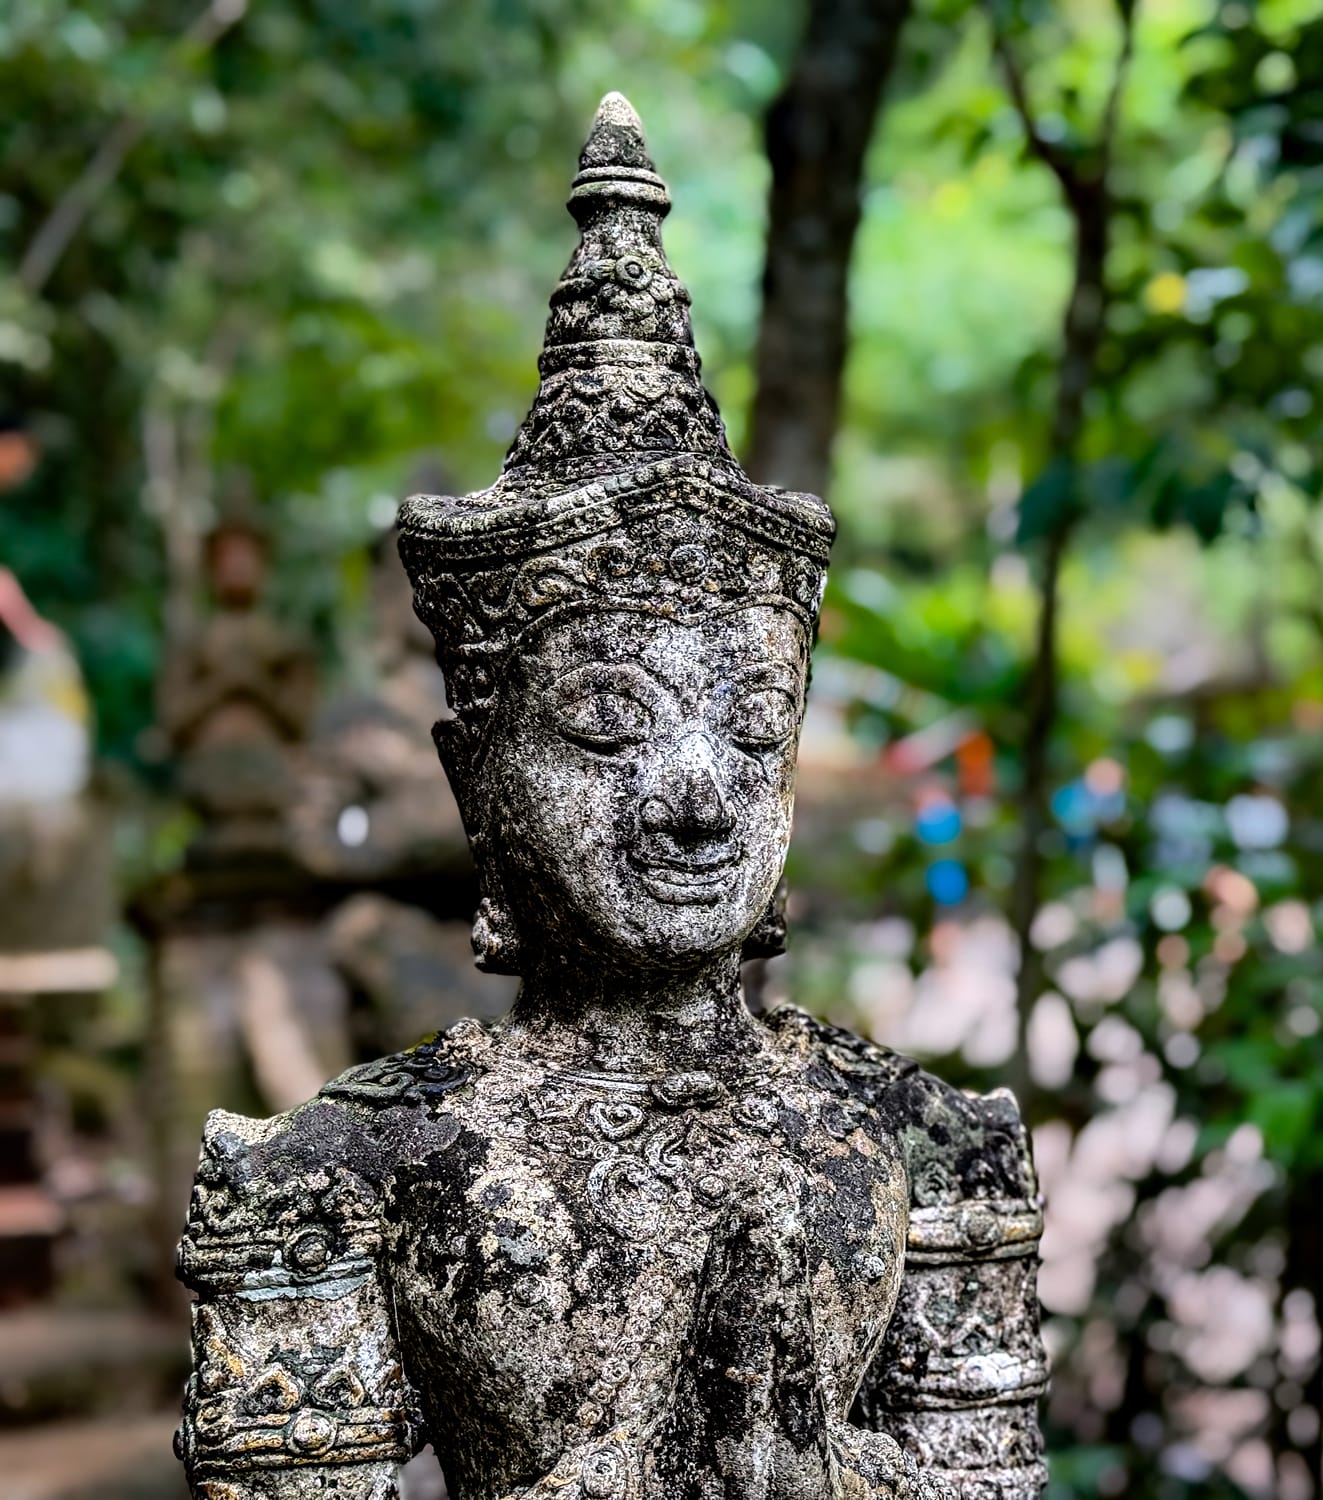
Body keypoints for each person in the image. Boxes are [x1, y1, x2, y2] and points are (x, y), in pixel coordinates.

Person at [174, 95, 1046, 1500]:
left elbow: (988, 1478)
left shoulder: (924, 1138)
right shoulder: (348, 1167)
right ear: (478, 783)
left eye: (754, 730)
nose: (698, 798)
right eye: (606, 723)